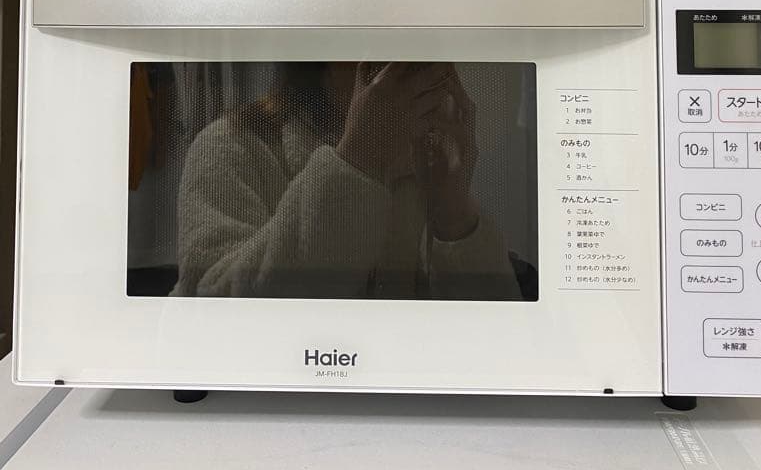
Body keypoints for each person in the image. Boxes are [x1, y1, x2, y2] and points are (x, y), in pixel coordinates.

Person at [172, 61, 521, 300]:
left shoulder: (423, 160)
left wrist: (454, 213)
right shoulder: (231, 145)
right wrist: (359, 158)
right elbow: (208, 318)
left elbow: (495, 347)